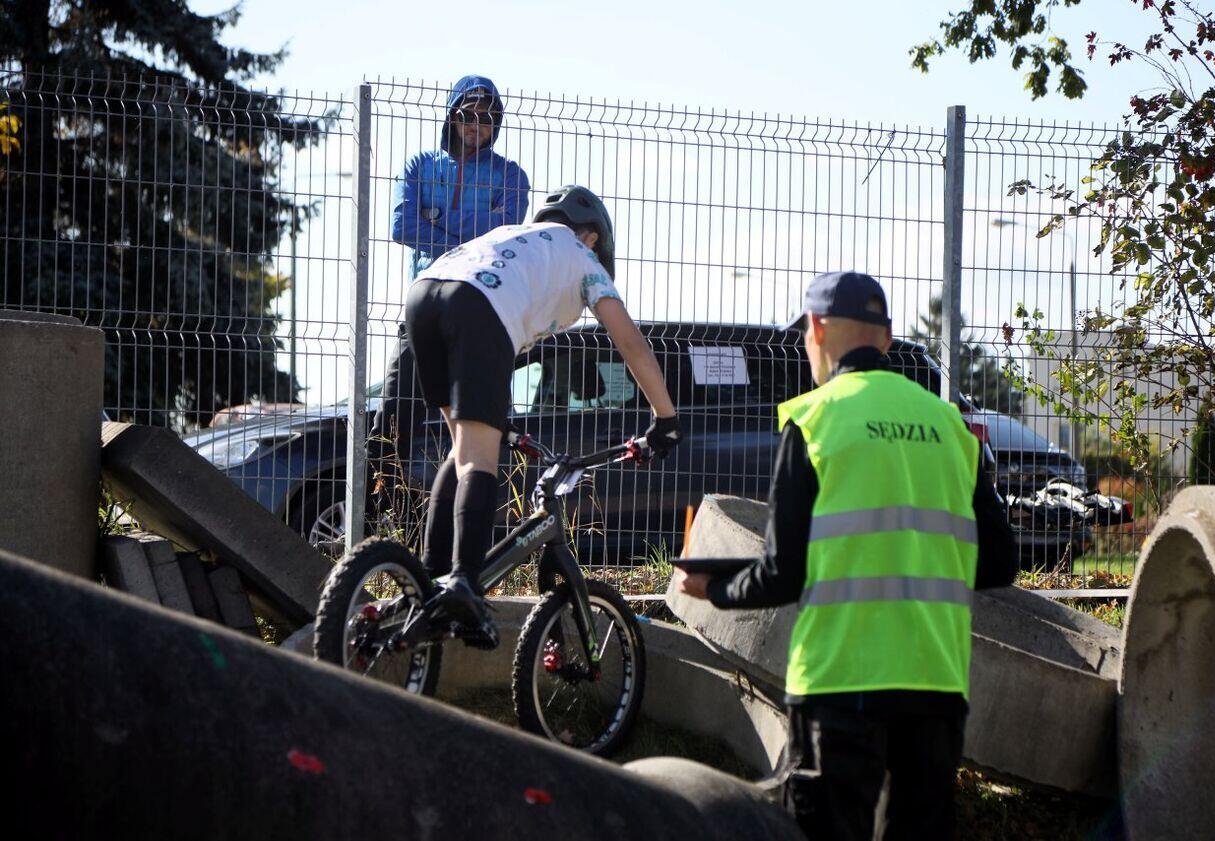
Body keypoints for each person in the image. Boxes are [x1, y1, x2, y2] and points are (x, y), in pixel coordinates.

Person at [675, 271, 1016, 841]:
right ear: (886, 339)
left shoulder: (815, 420)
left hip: (840, 682)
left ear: (817, 328)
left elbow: (784, 574)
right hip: (935, 684)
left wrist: (713, 587)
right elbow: (1000, 562)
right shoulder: (950, 426)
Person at [407, 185, 683, 647]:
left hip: (424, 295)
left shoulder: (512, 237)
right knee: (478, 460)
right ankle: (463, 586)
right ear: (593, 237)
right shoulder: (581, 256)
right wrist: (665, 418)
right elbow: (630, 341)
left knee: (461, 451)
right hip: (477, 306)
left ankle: (427, 582)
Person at [375, 75, 531, 485]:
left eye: (487, 118)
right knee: (393, 416)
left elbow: (502, 238)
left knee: (485, 419)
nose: (477, 125)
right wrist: (470, 239)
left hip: (482, 309)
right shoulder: (419, 166)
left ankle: (492, 508)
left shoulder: (511, 176)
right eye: (468, 115)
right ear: (452, 116)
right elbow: (402, 227)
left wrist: (436, 221)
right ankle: (382, 508)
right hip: (426, 306)